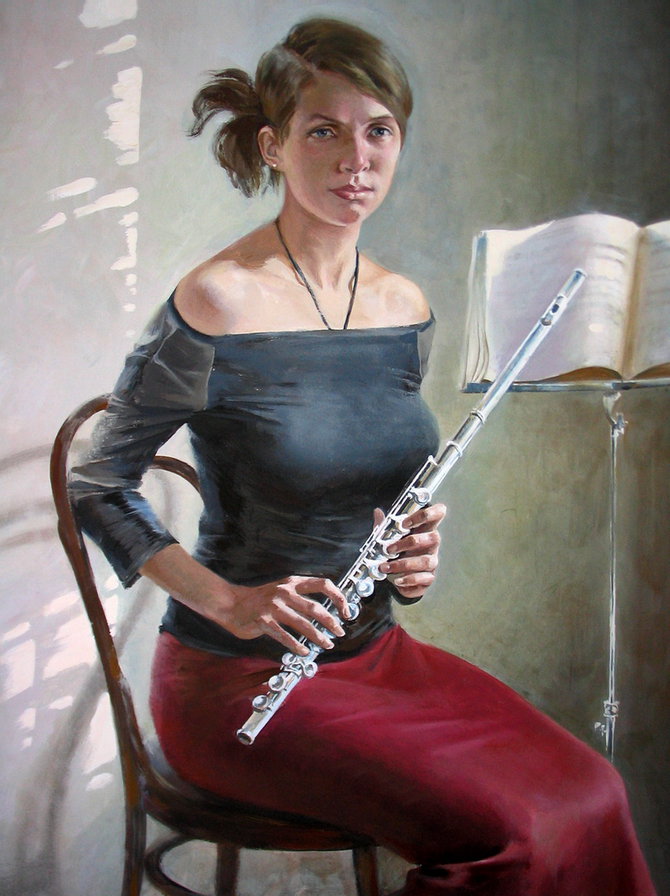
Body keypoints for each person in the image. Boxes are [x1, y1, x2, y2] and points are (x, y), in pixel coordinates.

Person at [69, 17, 656, 896]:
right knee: (514, 834)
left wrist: (414, 560)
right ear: (273, 145)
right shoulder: (216, 298)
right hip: (236, 683)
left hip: (377, 658)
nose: (357, 159)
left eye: (379, 130)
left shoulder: (403, 306)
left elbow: (375, 489)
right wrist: (228, 601)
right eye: (324, 131)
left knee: (595, 792)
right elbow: (97, 480)